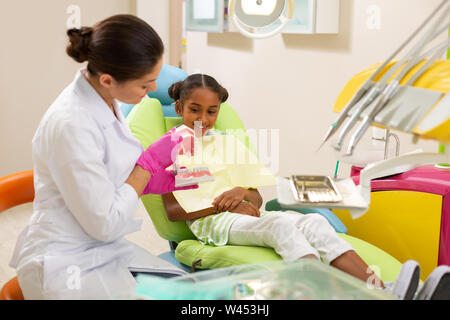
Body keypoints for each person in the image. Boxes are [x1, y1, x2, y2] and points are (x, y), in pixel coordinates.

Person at [161, 73, 450, 300]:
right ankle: (328, 292)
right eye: (194, 110)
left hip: (246, 215)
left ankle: (381, 287)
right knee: (282, 228)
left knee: (313, 222)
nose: (203, 119)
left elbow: (256, 198)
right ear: (178, 107)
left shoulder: (226, 142)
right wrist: (222, 204)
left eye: (211, 112)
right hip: (211, 224)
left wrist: (241, 193)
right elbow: (173, 211)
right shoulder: (170, 148)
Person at [9, 14, 196, 300]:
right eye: (145, 85)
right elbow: (104, 224)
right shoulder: (71, 124)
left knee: (188, 290)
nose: (149, 94)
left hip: (98, 244)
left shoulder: (104, 97)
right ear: (108, 79)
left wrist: (157, 181)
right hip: (66, 258)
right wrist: (144, 169)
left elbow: (106, 170)